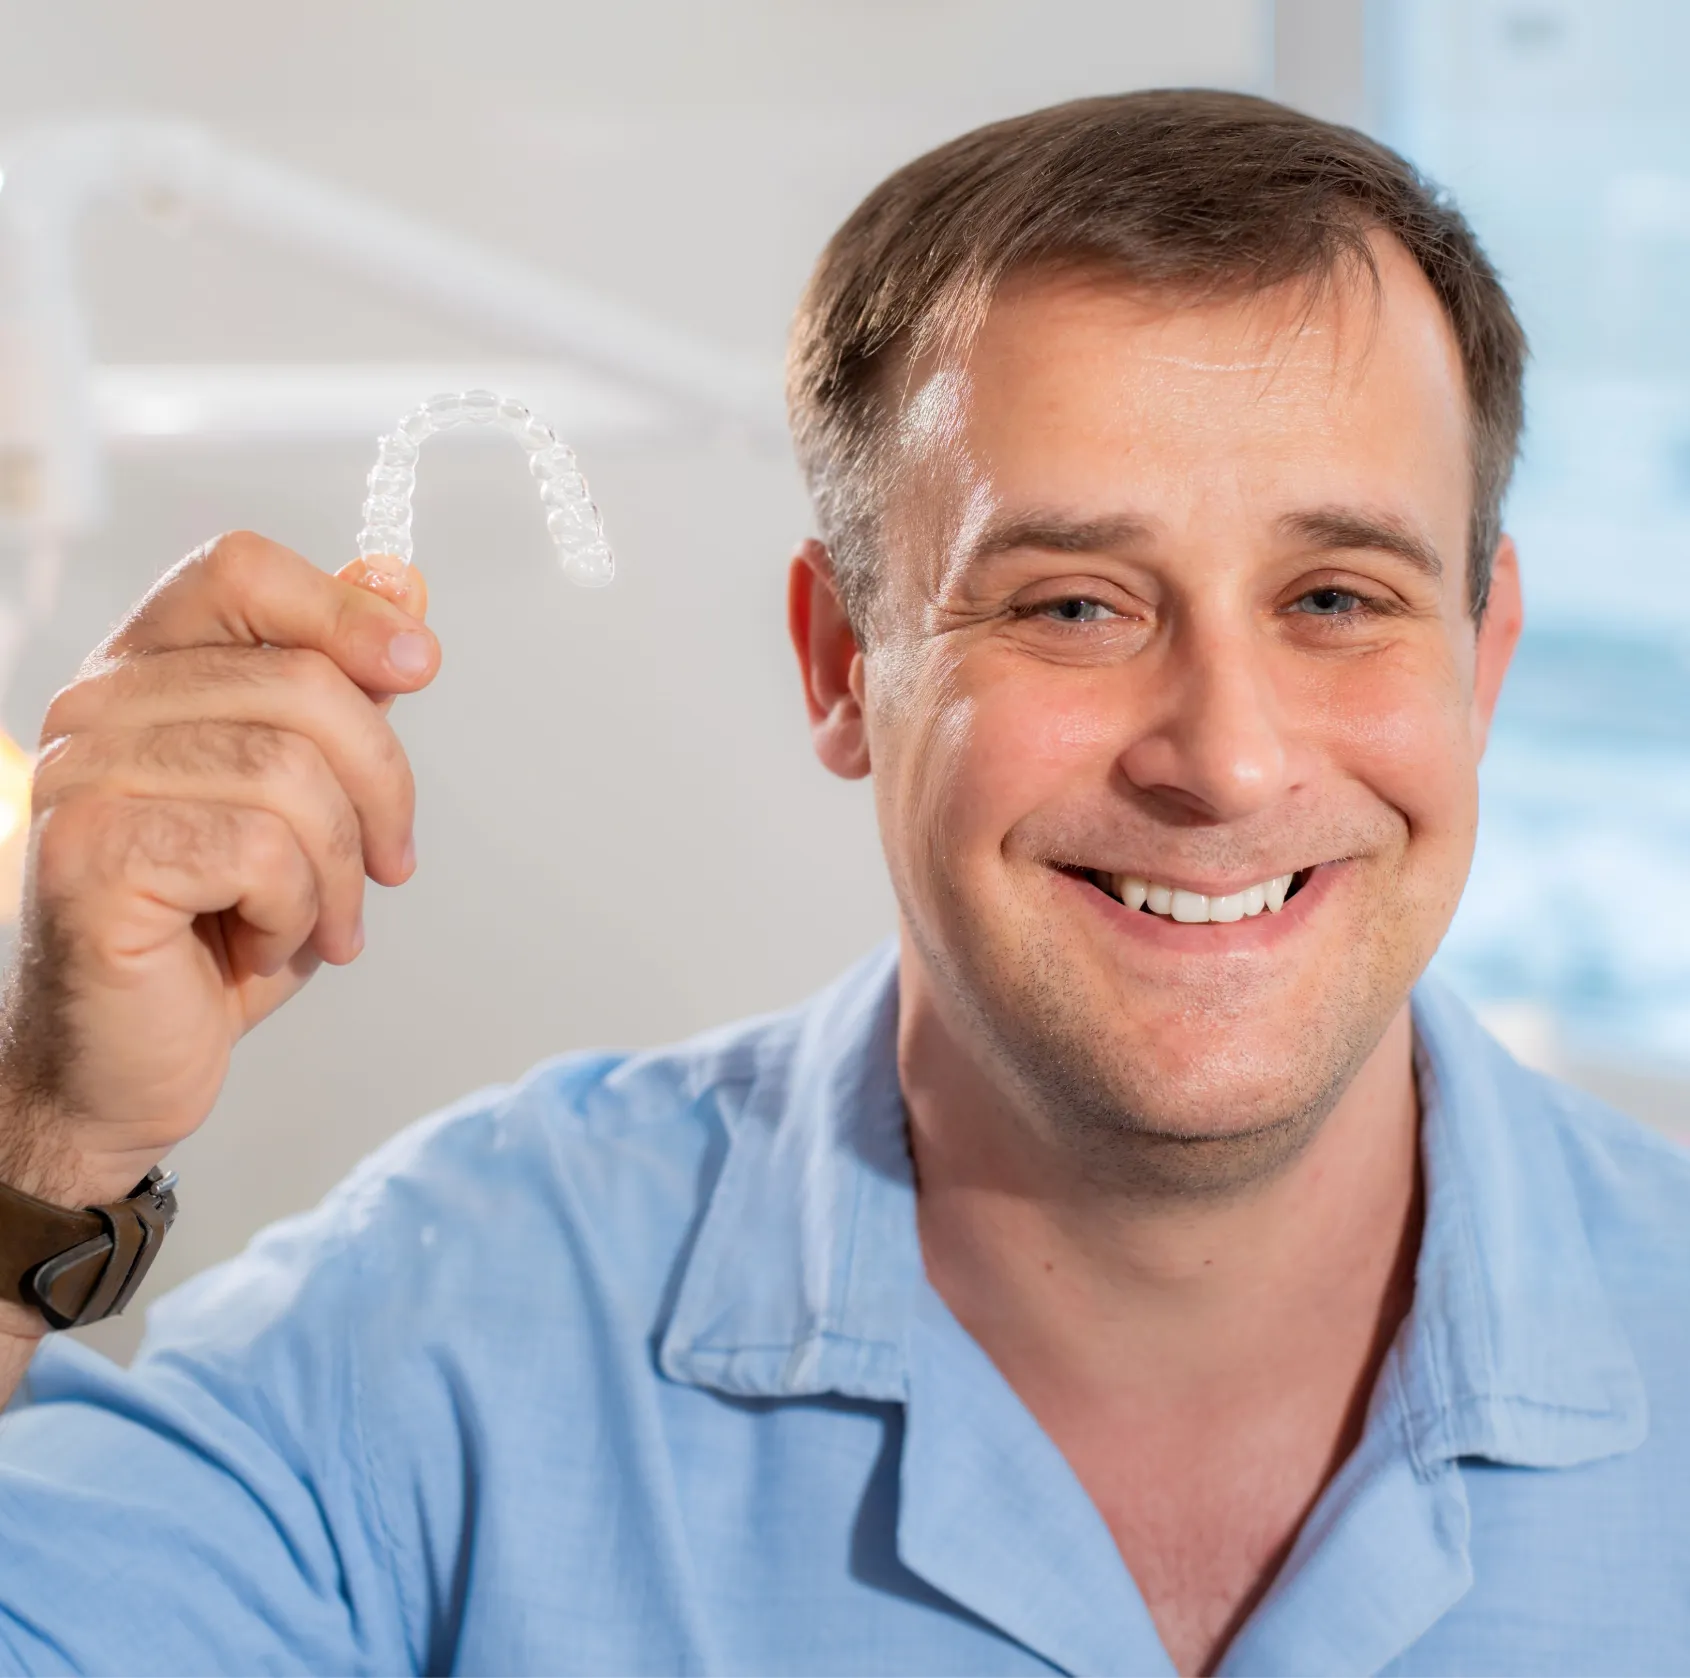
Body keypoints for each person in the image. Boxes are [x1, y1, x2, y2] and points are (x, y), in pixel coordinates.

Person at [0, 87, 1685, 1678]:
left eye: (1333, 599)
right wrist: (47, 1140)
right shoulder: (436, 1333)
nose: (1227, 761)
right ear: (837, 664)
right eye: (1072, 605)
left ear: (1482, 655)